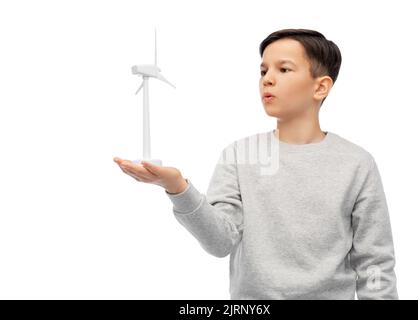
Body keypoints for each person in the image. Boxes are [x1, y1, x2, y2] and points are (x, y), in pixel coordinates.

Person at [113, 28, 398, 300]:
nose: (267, 79)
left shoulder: (357, 163)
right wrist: (177, 188)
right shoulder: (239, 154)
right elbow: (219, 242)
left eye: (283, 69)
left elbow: (375, 262)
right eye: (263, 71)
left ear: (320, 87)